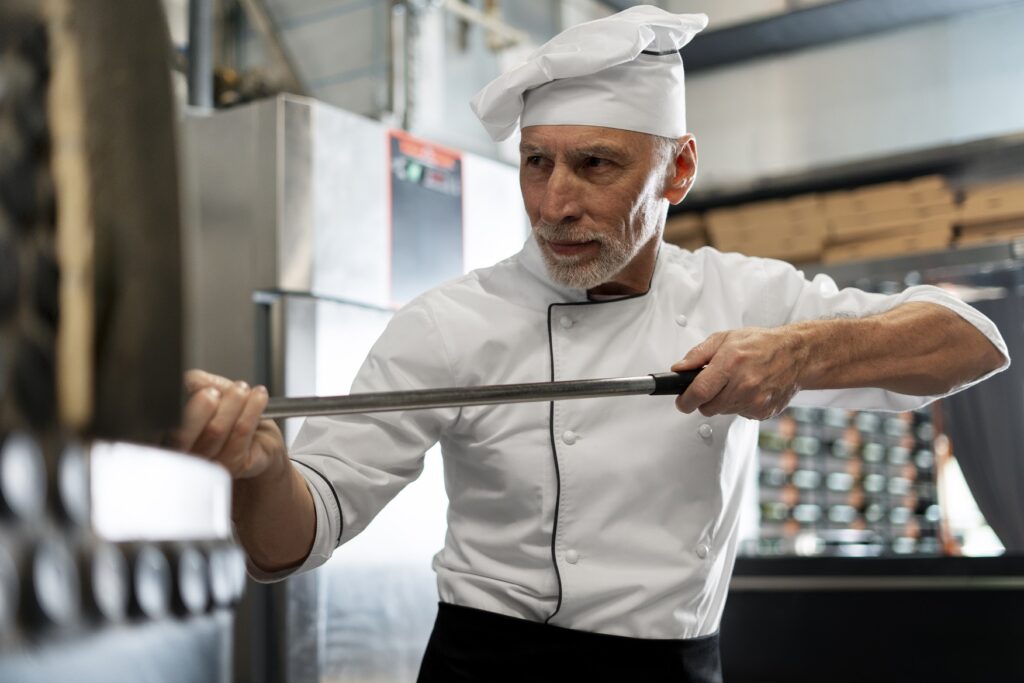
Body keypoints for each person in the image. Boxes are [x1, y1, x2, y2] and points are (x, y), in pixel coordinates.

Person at [173, 7, 1008, 682]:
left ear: (678, 171)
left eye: (597, 165)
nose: (554, 204)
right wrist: (261, 471)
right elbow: (288, 542)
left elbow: (972, 342)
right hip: (486, 664)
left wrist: (800, 354)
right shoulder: (449, 323)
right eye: (537, 162)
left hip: (670, 668)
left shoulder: (741, 296)